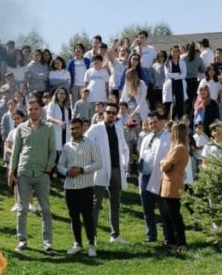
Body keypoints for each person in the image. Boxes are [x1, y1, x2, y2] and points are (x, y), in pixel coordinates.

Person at [8, 96, 55, 252]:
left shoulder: (48, 128)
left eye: (36, 109)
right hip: (24, 172)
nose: (33, 111)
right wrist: (11, 170)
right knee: (22, 209)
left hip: (42, 173)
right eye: (30, 109)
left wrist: (49, 169)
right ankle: (22, 240)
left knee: (45, 209)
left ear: (40, 110)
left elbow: (52, 151)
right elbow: (15, 152)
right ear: (27, 111)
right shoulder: (21, 128)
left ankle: (47, 242)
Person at [57, 116, 101, 257]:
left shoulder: (91, 144)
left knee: (87, 216)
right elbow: (60, 165)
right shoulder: (66, 146)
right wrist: (67, 172)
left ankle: (91, 244)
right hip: (70, 186)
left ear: (83, 128)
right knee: (73, 216)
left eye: (77, 128)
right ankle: (77, 243)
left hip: (86, 186)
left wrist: (81, 170)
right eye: (72, 129)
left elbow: (98, 163)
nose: (74, 131)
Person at [85, 103, 129, 243]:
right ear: (104, 113)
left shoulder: (118, 129)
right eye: (109, 112)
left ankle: (115, 235)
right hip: (101, 169)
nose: (111, 115)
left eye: (114, 113)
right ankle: (93, 235)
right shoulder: (95, 128)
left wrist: (124, 162)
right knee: (96, 203)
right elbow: (85, 144)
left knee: (115, 202)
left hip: (116, 169)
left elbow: (124, 148)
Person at [137, 112, 169, 243]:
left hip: (160, 177)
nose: (153, 125)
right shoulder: (146, 138)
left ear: (161, 122)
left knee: (164, 209)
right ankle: (151, 235)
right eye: (150, 123)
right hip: (145, 177)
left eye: (155, 122)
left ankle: (168, 237)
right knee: (147, 208)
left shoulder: (168, 137)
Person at [158, 122, 190, 249]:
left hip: (173, 184)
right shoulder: (178, 148)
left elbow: (165, 166)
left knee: (174, 215)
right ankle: (171, 241)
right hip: (170, 184)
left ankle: (180, 242)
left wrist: (162, 162)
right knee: (168, 214)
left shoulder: (179, 148)